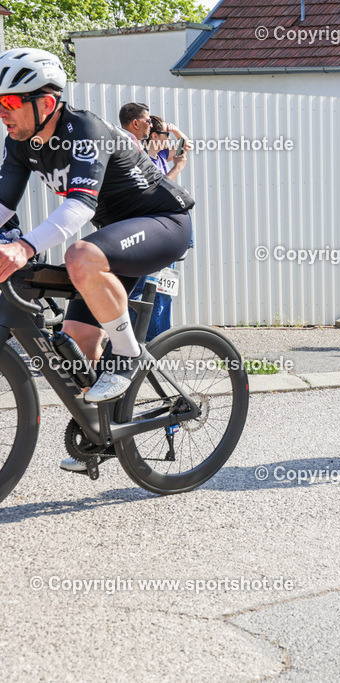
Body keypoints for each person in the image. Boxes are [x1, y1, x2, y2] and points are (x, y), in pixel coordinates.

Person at [0, 48, 195, 470]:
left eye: (10, 103)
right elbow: (1, 205)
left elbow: (80, 207)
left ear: (46, 103)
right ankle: (102, 435)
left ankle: (128, 354)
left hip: (162, 222)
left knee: (80, 255)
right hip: (115, 237)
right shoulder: (20, 142)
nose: (3, 113)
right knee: (77, 339)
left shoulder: (84, 127)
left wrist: (23, 246)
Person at [127, 114, 193, 341]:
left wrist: (174, 131)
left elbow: (187, 146)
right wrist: (178, 169)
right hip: (151, 231)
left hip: (167, 230)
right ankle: (138, 339)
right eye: (165, 135)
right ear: (154, 136)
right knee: (144, 289)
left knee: (164, 290)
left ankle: (161, 338)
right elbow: (157, 190)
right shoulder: (143, 158)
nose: (169, 140)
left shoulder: (163, 155)